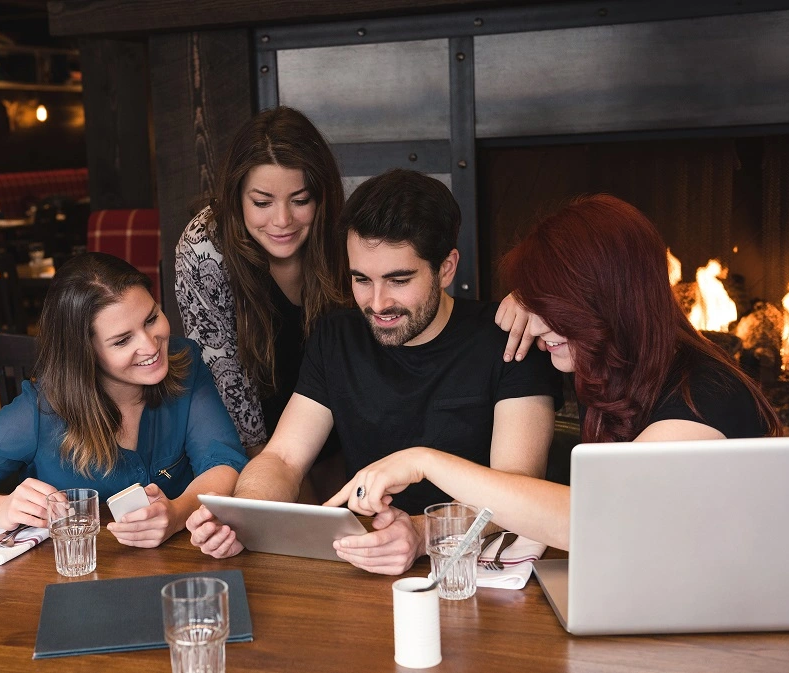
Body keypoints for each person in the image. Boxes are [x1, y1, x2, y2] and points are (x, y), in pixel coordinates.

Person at [327, 194, 782, 551]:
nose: (536, 326)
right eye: (531, 303)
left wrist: (422, 460)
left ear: (605, 301)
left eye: (550, 306)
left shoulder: (704, 396)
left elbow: (591, 521)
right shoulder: (623, 369)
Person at [186, 169, 563, 574]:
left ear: (447, 268)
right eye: (361, 279)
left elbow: (518, 490)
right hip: (362, 562)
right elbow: (282, 458)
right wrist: (245, 515)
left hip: (470, 570)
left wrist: (422, 533)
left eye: (399, 280)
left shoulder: (508, 339)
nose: (378, 303)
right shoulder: (336, 337)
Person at [0, 253, 248, 548]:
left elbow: (223, 461)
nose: (152, 345)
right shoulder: (41, 412)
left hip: (183, 574)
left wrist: (177, 513)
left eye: (152, 318)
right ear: (84, 354)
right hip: (73, 582)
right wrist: (2, 509)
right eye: (123, 340)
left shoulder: (184, 363)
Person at [175, 106, 348, 462]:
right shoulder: (205, 245)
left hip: (346, 428)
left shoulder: (342, 233)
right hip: (256, 443)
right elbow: (224, 374)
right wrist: (271, 477)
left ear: (322, 197)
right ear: (236, 196)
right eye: (262, 202)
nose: (282, 221)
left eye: (300, 201)